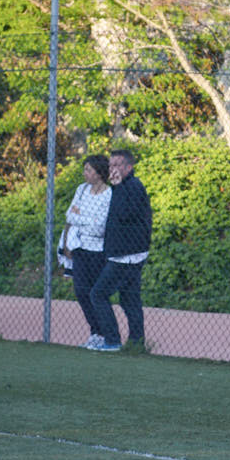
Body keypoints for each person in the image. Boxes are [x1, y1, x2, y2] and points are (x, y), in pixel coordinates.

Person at [89, 149, 152, 352]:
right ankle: (136, 343)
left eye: (117, 165)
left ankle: (112, 340)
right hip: (122, 254)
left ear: (128, 167)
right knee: (129, 300)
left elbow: (124, 214)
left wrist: (116, 187)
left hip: (127, 256)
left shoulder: (133, 186)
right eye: (110, 165)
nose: (112, 169)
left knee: (98, 294)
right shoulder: (121, 187)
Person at [64, 155, 112, 350]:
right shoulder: (82, 190)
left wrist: (81, 218)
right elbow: (69, 215)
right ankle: (95, 333)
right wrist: (88, 219)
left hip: (98, 252)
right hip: (80, 248)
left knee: (96, 294)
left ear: (99, 173)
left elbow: (99, 228)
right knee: (81, 291)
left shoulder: (109, 194)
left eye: (88, 170)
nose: (85, 173)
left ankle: (106, 335)